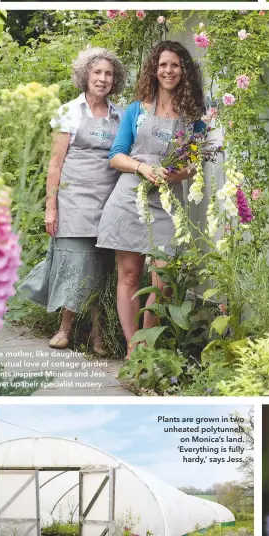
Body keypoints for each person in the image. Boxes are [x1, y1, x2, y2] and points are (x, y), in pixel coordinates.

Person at [96, 40, 205, 357]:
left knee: (163, 279)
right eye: (162, 65)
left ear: (183, 70)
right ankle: (134, 349)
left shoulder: (192, 117)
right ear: (154, 70)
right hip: (129, 197)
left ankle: (147, 342)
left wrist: (174, 174)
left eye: (174, 65)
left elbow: (193, 164)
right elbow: (116, 156)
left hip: (167, 202)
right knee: (129, 275)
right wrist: (142, 167)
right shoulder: (136, 110)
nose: (168, 71)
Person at [20, 47, 126, 352]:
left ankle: (98, 336)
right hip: (74, 199)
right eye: (97, 73)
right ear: (85, 75)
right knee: (73, 265)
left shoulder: (120, 114)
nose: (102, 79)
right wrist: (50, 208)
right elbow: (55, 164)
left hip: (110, 201)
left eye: (108, 74)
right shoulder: (69, 111)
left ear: (114, 80)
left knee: (103, 268)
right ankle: (64, 329)